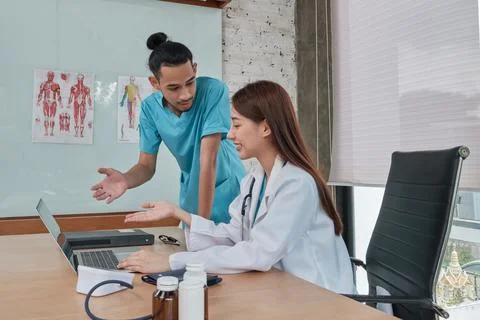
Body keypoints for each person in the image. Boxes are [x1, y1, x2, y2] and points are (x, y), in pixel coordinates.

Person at [118, 80, 356, 294]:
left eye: (237, 125)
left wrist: (173, 263)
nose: (230, 135)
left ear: (265, 128)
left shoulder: (296, 183)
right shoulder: (255, 178)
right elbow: (233, 236)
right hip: (282, 287)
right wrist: (178, 213)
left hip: (320, 297)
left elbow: (258, 254)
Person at [91, 32, 245, 224]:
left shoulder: (213, 91)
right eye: (174, 88)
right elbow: (146, 166)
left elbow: (208, 159)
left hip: (227, 186)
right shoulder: (150, 109)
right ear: (155, 83)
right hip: (192, 188)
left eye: (190, 82)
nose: (185, 94)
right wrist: (125, 180)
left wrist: (202, 227)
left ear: (195, 69)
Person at [37, 71, 62, 136]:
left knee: (52, 118)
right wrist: (38, 101)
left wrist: (60, 103)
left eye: (52, 76)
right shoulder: (43, 84)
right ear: (47, 76)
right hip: (46, 101)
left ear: (53, 76)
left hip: (53, 102)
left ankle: (51, 132)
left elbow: (59, 95)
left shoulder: (56, 85)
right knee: (46, 117)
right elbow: (40, 94)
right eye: (49, 75)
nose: (51, 77)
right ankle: (46, 131)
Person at [68, 73, 92, 138]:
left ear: (83, 79)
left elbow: (89, 97)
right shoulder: (73, 87)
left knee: (82, 118)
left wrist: (90, 105)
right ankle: (76, 133)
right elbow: (71, 96)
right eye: (79, 78)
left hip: (83, 103)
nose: (80, 80)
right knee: (76, 117)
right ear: (77, 79)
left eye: (81, 78)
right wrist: (69, 104)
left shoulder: (86, 88)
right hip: (76, 103)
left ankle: (81, 134)